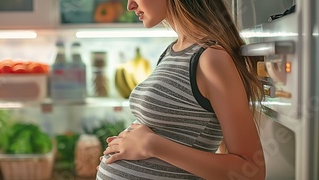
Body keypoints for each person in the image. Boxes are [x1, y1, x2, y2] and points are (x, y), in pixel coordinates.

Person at [96, 0, 266, 179]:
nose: (130, 5)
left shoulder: (211, 58)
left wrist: (151, 145)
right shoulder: (172, 52)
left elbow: (252, 171)